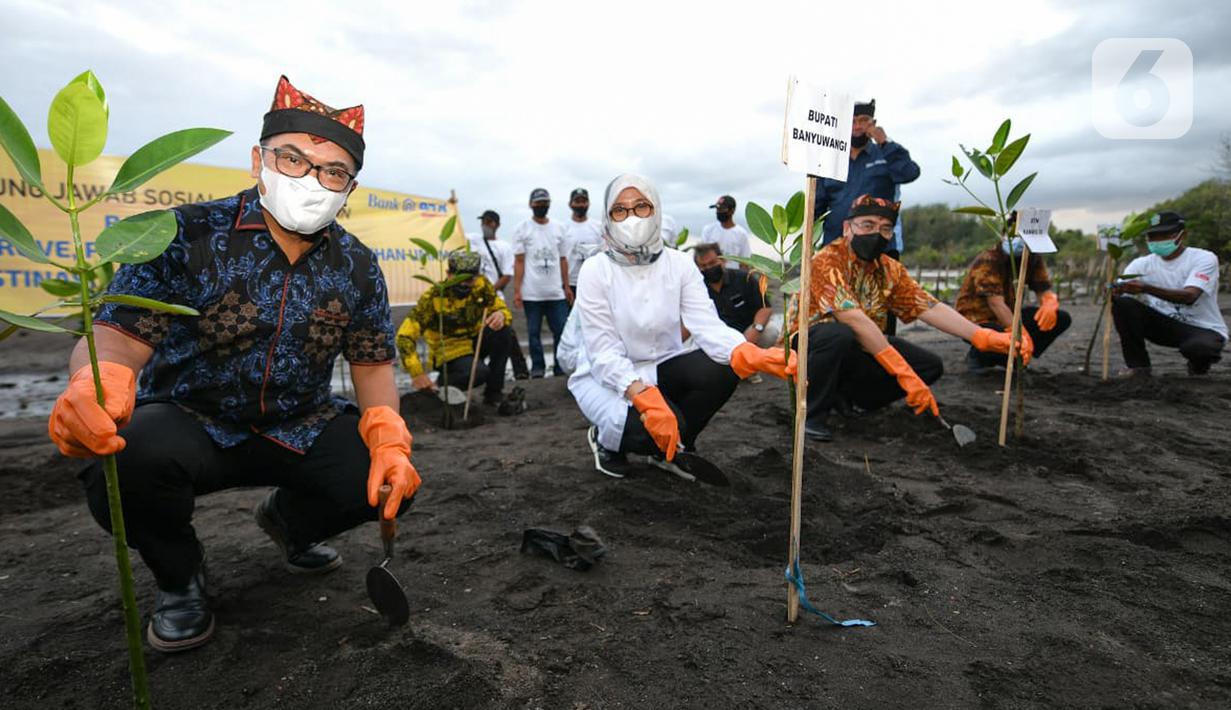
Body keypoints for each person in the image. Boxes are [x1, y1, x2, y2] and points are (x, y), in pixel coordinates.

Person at [46, 76, 420, 652]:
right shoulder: (184, 232)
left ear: (349, 187)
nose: (311, 180)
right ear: (258, 160)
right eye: (292, 159)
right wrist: (100, 382)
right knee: (123, 459)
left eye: (333, 171)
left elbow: (371, 364)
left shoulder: (359, 266)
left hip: (300, 424)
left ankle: (290, 524)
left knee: (381, 479)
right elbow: (118, 332)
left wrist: (389, 435)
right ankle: (180, 580)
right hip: (191, 421)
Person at [570, 174, 795, 479]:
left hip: (662, 363)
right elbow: (603, 352)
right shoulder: (596, 270)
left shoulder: (679, 263)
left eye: (641, 207)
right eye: (620, 210)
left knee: (724, 368)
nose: (631, 217)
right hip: (608, 379)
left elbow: (707, 325)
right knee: (648, 428)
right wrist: (642, 396)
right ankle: (607, 442)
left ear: (656, 209)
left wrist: (747, 353)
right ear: (608, 218)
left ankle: (675, 448)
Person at [792, 195, 1031, 442]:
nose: (876, 233)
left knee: (929, 366)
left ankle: (848, 398)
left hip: (860, 345)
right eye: (867, 225)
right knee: (839, 335)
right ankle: (810, 415)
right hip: (810, 346)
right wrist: (904, 374)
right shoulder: (826, 261)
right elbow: (852, 319)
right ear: (847, 228)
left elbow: (927, 306)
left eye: (885, 228)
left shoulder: (889, 268)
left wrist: (980, 335)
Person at [1111, 210, 1227, 376]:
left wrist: (1146, 288)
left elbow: (1190, 297)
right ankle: (1138, 366)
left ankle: (1198, 364)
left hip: (1203, 329)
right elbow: (1119, 293)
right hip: (1164, 326)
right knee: (1122, 304)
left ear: (1182, 235)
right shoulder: (1141, 264)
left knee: (1199, 349)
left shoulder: (1203, 258)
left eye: (1164, 235)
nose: (1157, 241)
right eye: (1151, 236)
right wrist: (1113, 290)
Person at [396, 251, 513, 405]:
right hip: (449, 351)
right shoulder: (433, 298)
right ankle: (443, 384)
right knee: (478, 373)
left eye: (469, 280)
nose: (463, 285)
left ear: (476, 277)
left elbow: (499, 307)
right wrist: (417, 373)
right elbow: (404, 336)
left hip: (475, 340)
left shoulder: (482, 285)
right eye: (459, 279)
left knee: (504, 332)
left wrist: (501, 314)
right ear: (448, 274)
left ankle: (493, 393)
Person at [955, 233, 1071, 371]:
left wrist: (1049, 302)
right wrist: (1020, 333)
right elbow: (995, 304)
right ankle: (979, 355)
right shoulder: (990, 260)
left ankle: (1018, 355)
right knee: (994, 333)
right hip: (978, 318)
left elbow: (1043, 288)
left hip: (1009, 313)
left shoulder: (1032, 258)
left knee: (1061, 318)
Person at [811, 100, 920, 247]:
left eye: (863, 120)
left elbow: (909, 173)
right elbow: (816, 208)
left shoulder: (885, 153)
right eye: (852, 121)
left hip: (880, 249)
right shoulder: (830, 160)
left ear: (873, 123)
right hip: (837, 248)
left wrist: (884, 142)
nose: (857, 126)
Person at [512, 188, 571, 377]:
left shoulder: (559, 228)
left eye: (545, 203)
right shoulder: (522, 229)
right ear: (531, 204)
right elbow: (519, 261)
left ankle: (559, 366)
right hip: (532, 292)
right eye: (538, 203)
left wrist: (567, 286)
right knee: (533, 333)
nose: (541, 206)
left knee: (560, 331)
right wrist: (517, 291)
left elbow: (563, 259)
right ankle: (537, 367)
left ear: (549, 204)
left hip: (556, 292)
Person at [471, 209, 529, 379]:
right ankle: (475, 368)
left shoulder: (504, 247)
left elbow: (506, 275)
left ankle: (520, 370)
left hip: (494, 298)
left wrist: (489, 292)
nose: (485, 225)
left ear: (496, 224)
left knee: (506, 332)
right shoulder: (473, 240)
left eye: (488, 222)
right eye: (483, 222)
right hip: (473, 298)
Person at [693, 243, 777, 347]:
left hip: (747, 332)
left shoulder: (744, 279)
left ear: (723, 261)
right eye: (703, 266)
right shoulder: (697, 288)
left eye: (712, 263)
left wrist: (756, 329)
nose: (709, 268)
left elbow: (765, 308)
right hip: (717, 337)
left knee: (770, 332)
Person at [562, 188, 604, 298]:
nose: (581, 205)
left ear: (588, 203)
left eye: (584, 202)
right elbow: (561, 258)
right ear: (570, 204)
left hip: (593, 281)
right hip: (571, 283)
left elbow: (603, 253)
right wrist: (565, 286)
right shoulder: (563, 228)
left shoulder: (598, 227)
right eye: (577, 202)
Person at [700, 195, 752, 272]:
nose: (718, 212)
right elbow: (702, 255)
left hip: (734, 275)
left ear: (732, 211)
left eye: (722, 209)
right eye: (717, 209)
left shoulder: (741, 234)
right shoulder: (708, 230)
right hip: (712, 274)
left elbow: (744, 262)